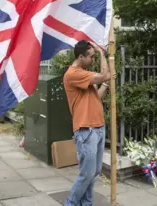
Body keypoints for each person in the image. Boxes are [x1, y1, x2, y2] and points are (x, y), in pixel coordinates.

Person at [63, 40, 112, 206]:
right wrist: (101, 53)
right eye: (91, 57)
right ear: (81, 56)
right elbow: (105, 74)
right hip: (86, 129)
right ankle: (71, 203)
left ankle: (86, 204)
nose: (93, 60)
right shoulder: (73, 74)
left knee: (95, 172)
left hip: (98, 127)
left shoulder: (83, 73)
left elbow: (95, 98)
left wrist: (105, 84)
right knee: (87, 173)